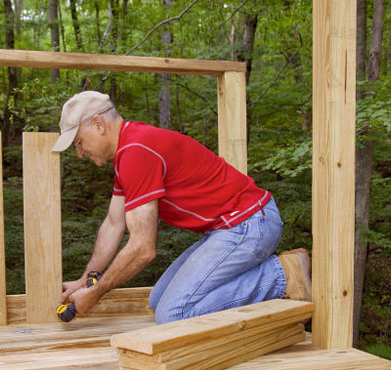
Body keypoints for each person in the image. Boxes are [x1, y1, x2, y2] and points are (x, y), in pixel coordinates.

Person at [53, 90, 311, 324]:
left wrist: (96, 292)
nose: (80, 153)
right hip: (234, 227)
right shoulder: (128, 152)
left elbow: (143, 248)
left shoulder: (137, 151)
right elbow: (113, 223)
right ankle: (261, 275)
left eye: (78, 142)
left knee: (174, 314)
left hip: (249, 224)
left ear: (98, 125)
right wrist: (87, 279)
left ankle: (282, 276)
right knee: (158, 301)